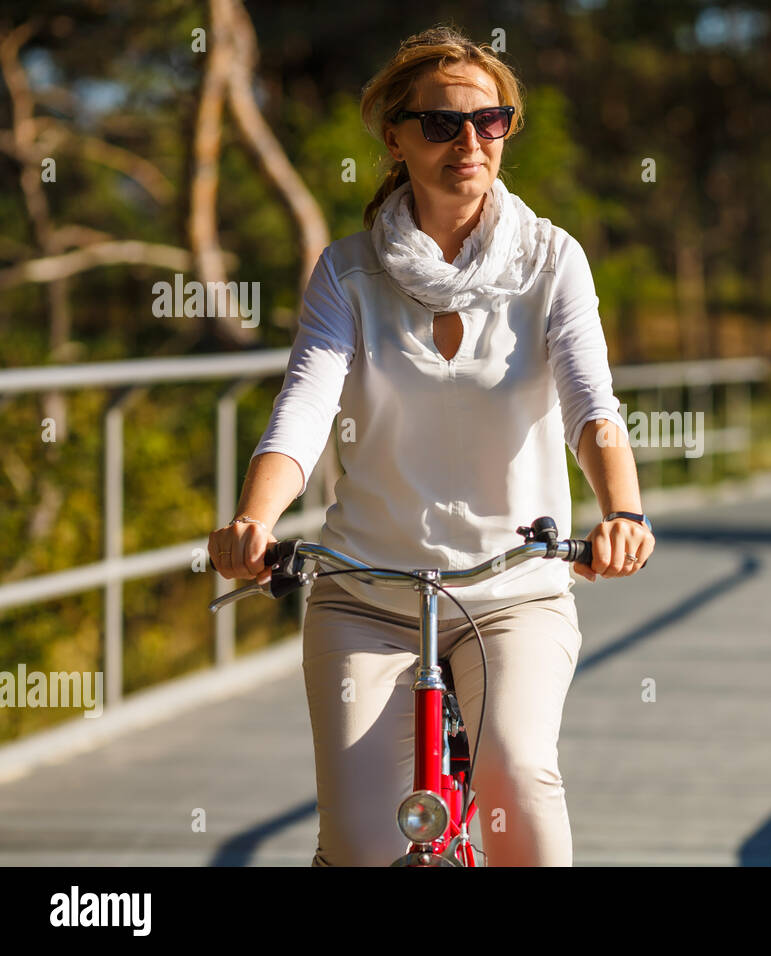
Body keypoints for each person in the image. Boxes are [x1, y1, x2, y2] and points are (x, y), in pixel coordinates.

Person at [205, 24, 653, 866]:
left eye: (491, 121)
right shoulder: (348, 273)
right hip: (364, 593)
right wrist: (253, 521)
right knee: (361, 840)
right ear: (396, 136)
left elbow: (590, 402)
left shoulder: (552, 261)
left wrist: (622, 510)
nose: (470, 142)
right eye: (443, 124)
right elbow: (304, 404)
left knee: (519, 783)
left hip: (512, 592)